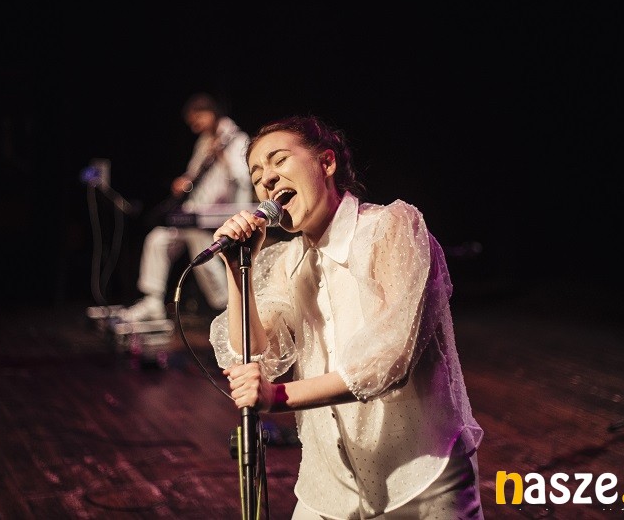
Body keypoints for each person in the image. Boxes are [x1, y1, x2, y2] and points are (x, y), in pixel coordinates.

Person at [208, 115, 484, 519]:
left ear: (327, 162)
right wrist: (237, 273)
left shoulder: (391, 228)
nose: (266, 178)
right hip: (328, 487)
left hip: (420, 482)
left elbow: (388, 362)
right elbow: (255, 356)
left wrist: (277, 397)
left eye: (279, 160)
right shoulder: (285, 263)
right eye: (256, 174)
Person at [117, 93, 254, 323]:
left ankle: (227, 306)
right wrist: (184, 181)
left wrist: (222, 155)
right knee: (158, 239)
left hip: (225, 213)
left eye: (197, 119)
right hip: (197, 212)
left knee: (201, 247)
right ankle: (152, 301)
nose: (194, 126)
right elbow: (195, 173)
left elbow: (243, 177)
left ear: (210, 113)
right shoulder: (204, 141)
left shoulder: (237, 139)